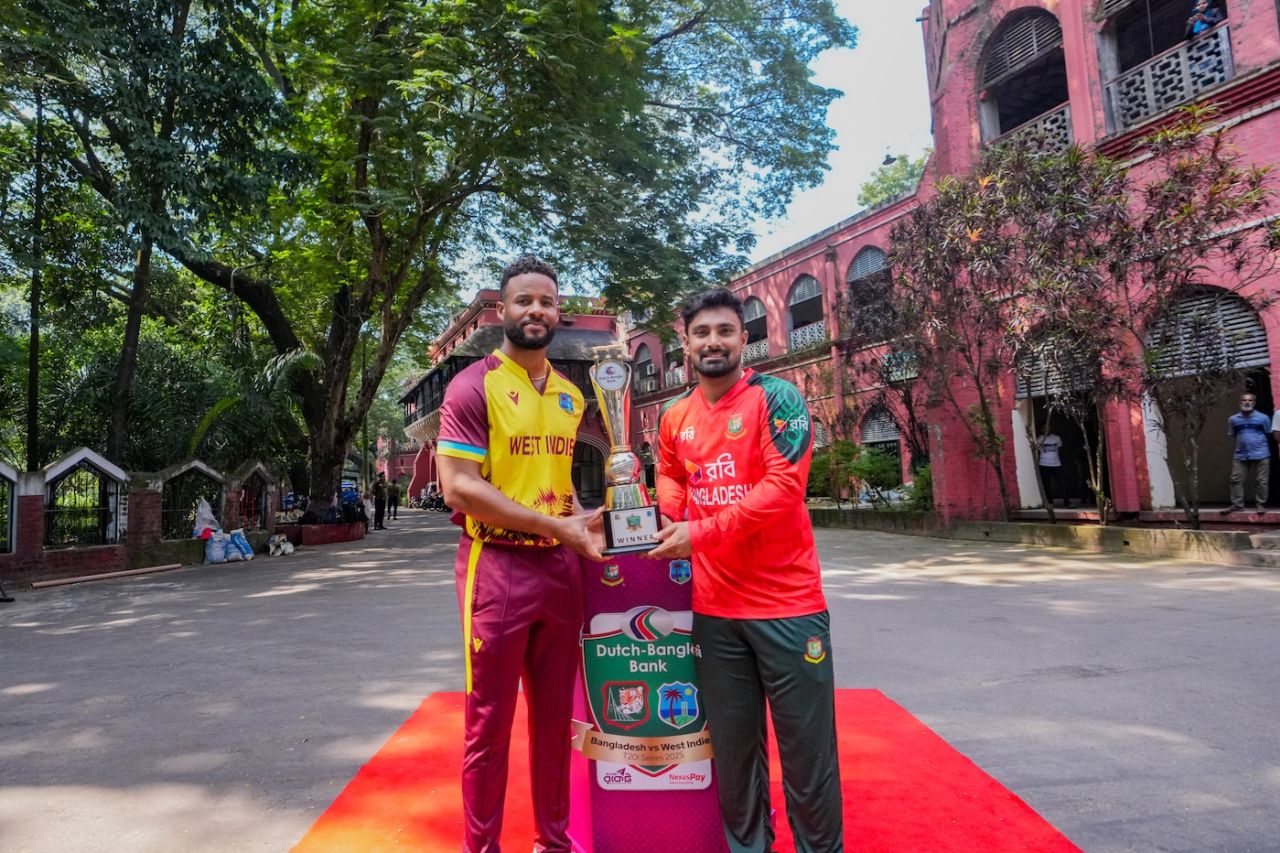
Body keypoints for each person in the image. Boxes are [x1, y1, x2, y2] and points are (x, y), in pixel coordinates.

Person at [648, 287, 843, 852]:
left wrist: (699, 534)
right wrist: (666, 517)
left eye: (725, 331)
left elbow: (784, 489)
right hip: (713, 611)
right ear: (686, 344)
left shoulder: (778, 399)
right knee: (733, 754)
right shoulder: (674, 414)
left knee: (807, 752)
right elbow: (670, 472)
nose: (714, 342)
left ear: (744, 337)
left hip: (789, 606)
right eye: (702, 333)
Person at [436, 254, 604, 853]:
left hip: (561, 570)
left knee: (557, 721)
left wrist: (590, 523)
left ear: (559, 313)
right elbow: (459, 487)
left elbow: (555, 484)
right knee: (489, 723)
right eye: (525, 300)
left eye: (548, 301)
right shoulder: (473, 384)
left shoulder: (570, 396)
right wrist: (555, 528)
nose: (537, 310)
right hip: (497, 566)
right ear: (501, 311)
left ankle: (552, 842)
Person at [1225, 392, 1271, 513]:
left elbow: (1268, 433)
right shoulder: (1233, 419)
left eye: (1250, 400)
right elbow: (1234, 434)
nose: (1247, 402)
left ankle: (1261, 505)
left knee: (1262, 481)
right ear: (1240, 403)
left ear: (1254, 403)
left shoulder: (1263, 418)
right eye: (1244, 400)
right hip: (1241, 454)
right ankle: (1237, 504)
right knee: (1235, 479)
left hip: (1261, 452)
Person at [1037, 426, 1066, 508]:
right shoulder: (1040, 439)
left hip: (1056, 463)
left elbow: (1059, 449)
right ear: (1041, 429)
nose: (1046, 429)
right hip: (1044, 464)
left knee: (1062, 483)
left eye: (1047, 428)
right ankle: (1050, 502)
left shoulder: (1056, 438)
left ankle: (1066, 501)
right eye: (1043, 428)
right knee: (1046, 484)